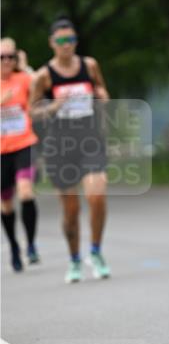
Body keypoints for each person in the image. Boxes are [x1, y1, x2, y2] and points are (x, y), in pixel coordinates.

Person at [30, 19, 111, 283]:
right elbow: (32, 111)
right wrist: (53, 107)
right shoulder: (43, 76)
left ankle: (96, 252)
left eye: (71, 40)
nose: (67, 45)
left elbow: (103, 95)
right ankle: (75, 259)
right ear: (52, 43)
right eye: (61, 41)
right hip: (60, 146)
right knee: (71, 210)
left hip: (90, 140)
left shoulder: (90, 65)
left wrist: (101, 96)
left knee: (97, 195)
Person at [1, 37, 40, 271]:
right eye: (1, 57)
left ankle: (31, 244)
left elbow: (41, 85)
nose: (6, 61)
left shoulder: (23, 78)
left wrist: (25, 66)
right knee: (5, 204)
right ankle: (14, 246)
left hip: (23, 144)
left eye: (10, 57)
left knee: (26, 192)